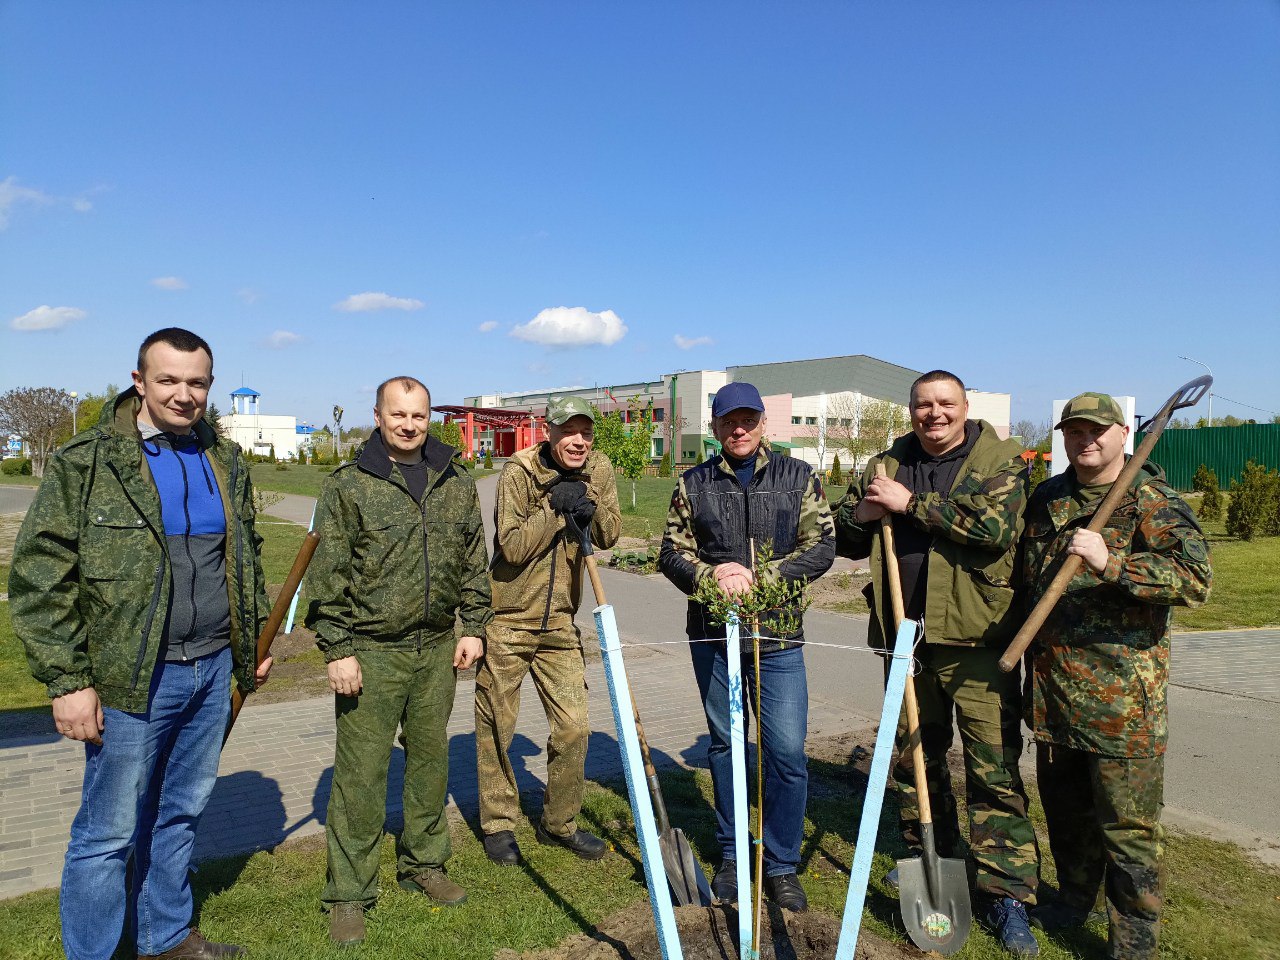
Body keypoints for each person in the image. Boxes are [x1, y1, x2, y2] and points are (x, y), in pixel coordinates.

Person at [11, 328, 271, 960]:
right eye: (169, 381)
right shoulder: (88, 462)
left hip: (210, 671)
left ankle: (166, 936)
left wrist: (249, 644)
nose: (184, 395)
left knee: (181, 813)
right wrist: (69, 682)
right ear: (139, 382)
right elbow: (40, 575)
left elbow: (246, 558)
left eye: (197, 382)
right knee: (107, 833)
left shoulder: (224, 460)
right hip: (131, 679)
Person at [834, 369, 1040, 956]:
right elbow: (846, 533)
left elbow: (995, 528)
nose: (934, 414)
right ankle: (929, 862)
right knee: (913, 761)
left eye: (944, 403)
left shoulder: (999, 459)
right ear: (911, 410)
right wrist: (865, 518)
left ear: (965, 406)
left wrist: (909, 505)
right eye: (923, 405)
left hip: (978, 641)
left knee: (992, 770)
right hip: (907, 640)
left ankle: (1007, 894)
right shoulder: (888, 462)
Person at [1017, 393, 1210, 959]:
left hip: (1124, 707)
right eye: (1075, 431)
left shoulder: (1153, 500)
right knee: (1067, 818)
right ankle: (1073, 901)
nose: (1086, 441)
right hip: (1054, 697)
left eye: (1097, 431)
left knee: (1128, 836)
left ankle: (1133, 943)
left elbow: (1194, 581)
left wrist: (1112, 562)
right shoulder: (1049, 498)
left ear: (1124, 433)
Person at [305, 376, 492, 946]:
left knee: (431, 763)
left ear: (429, 417)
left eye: (418, 415)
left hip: (437, 648)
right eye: (398, 415)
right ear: (378, 416)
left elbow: (471, 560)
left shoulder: (454, 480)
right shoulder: (350, 485)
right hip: (373, 651)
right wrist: (338, 650)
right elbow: (327, 575)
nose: (409, 425)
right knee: (361, 776)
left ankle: (424, 865)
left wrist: (475, 627)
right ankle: (349, 893)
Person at [659, 381, 835, 912]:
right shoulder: (693, 484)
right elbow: (670, 552)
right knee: (727, 746)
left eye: (749, 420)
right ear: (714, 427)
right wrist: (715, 577)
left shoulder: (798, 477)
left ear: (763, 424)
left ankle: (780, 864)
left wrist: (764, 577)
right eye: (728, 420)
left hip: (778, 636)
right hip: (714, 636)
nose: (739, 429)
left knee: (784, 751)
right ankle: (734, 857)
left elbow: (823, 545)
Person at [475, 395, 622, 866]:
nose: (578, 441)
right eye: (568, 431)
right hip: (509, 618)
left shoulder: (598, 469)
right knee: (498, 723)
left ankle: (559, 823)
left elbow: (609, 535)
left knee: (575, 727)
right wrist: (556, 510)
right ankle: (499, 825)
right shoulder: (519, 471)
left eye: (586, 432)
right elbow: (513, 546)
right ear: (548, 430)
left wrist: (587, 502)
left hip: (561, 619)